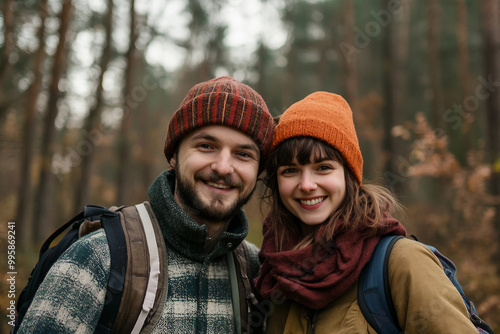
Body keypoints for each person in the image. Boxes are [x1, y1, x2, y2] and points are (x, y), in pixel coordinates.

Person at [18, 76, 275, 333]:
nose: (222, 167)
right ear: (174, 156)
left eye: (243, 154)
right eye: (206, 146)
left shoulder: (256, 271)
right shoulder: (100, 257)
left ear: (258, 170)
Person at [254, 92, 478, 333]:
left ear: (349, 175)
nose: (307, 184)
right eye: (290, 170)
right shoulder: (275, 273)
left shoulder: (402, 263)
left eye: (323, 168)